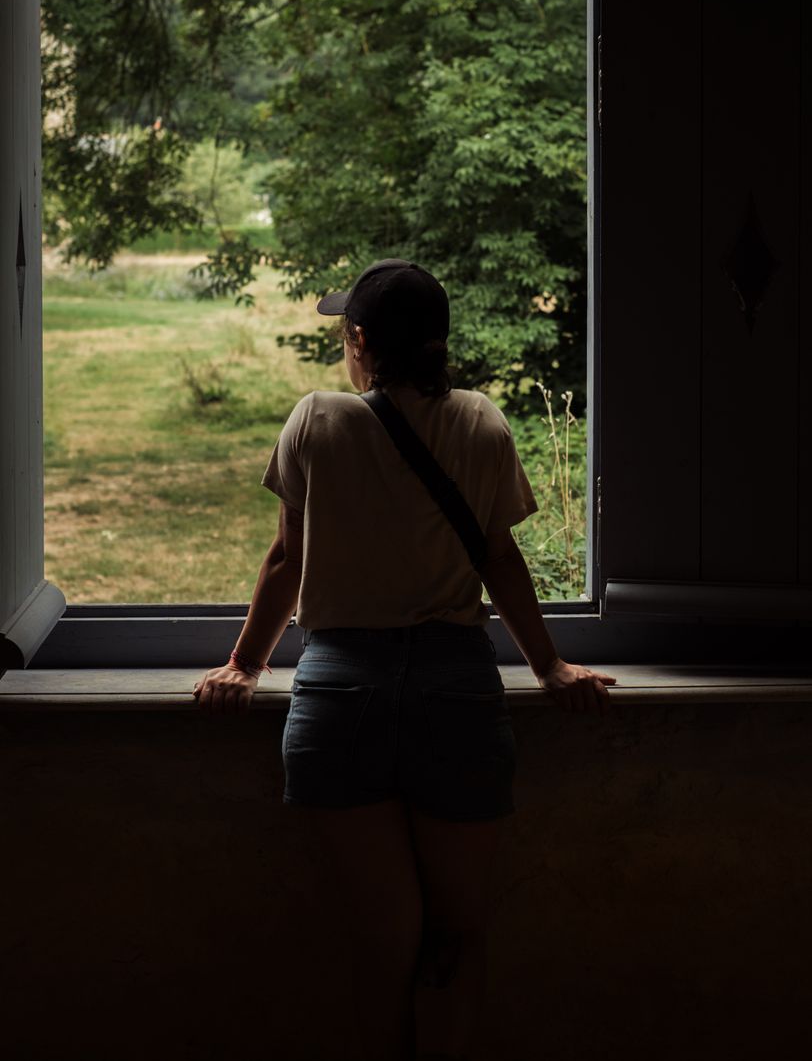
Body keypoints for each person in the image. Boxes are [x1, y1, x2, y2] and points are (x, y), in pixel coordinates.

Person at [193, 258, 616, 1061]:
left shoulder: (316, 419)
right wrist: (552, 668)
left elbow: (286, 560)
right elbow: (500, 561)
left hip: (339, 697)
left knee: (384, 942)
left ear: (359, 342)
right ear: (438, 342)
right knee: (455, 936)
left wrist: (245, 665)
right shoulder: (483, 422)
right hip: (454, 696)